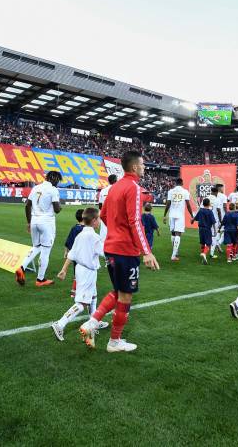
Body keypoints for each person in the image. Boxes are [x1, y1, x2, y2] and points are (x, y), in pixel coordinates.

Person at [79, 151, 160, 353]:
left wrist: (116, 231)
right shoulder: (133, 188)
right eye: (142, 164)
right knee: (125, 296)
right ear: (134, 167)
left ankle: (92, 322)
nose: (144, 167)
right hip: (125, 250)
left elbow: (103, 215)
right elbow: (135, 221)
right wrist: (146, 251)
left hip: (111, 248)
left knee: (118, 291)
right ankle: (114, 341)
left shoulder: (114, 187)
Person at [52, 208, 105, 341]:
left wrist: (64, 269)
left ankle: (94, 322)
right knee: (82, 303)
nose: (100, 220)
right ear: (93, 221)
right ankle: (60, 324)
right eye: (98, 218)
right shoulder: (94, 237)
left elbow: (72, 254)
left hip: (82, 270)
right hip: (87, 272)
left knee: (93, 297)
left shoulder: (80, 235)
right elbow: (105, 252)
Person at [17, 170, 63, 287]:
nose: (58, 183)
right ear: (55, 179)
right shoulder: (53, 190)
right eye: (58, 181)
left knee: (36, 247)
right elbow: (57, 209)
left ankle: (22, 267)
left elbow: (27, 205)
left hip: (34, 221)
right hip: (46, 222)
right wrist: (60, 206)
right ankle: (40, 279)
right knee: (46, 250)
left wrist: (29, 222)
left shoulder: (36, 188)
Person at [163, 178, 193, 261]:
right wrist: (192, 215)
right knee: (178, 234)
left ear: (175, 183)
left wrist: (165, 215)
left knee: (173, 233)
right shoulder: (185, 192)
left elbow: (168, 204)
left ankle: (175, 251)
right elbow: (188, 205)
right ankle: (173, 255)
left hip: (172, 214)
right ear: (182, 183)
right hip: (180, 215)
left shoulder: (171, 191)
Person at [63, 208, 86, 298]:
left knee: (77, 272)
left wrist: (66, 252)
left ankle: (74, 290)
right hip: (83, 255)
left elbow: (69, 241)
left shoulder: (74, 228)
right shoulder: (86, 229)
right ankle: (77, 290)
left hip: (74, 255)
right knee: (83, 273)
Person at [192, 198, 216, 265]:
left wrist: (192, 220)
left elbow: (195, 218)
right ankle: (204, 254)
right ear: (209, 204)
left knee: (202, 243)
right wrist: (215, 230)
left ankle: (203, 257)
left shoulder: (201, 210)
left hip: (200, 229)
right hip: (207, 229)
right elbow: (213, 222)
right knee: (208, 243)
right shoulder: (210, 211)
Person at [98, 174, 118, 245]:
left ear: (108, 181)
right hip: (115, 213)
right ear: (116, 181)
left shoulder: (103, 191)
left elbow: (100, 204)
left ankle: (102, 247)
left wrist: (101, 212)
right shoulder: (118, 190)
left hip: (105, 212)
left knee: (103, 230)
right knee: (115, 230)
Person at [209, 186, 226, 259]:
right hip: (214, 220)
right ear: (216, 192)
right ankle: (211, 253)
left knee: (207, 235)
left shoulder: (206, 198)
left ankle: (203, 251)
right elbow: (219, 211)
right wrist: (221, 220)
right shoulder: (217, 199)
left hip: (206, 220)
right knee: (214, 235)